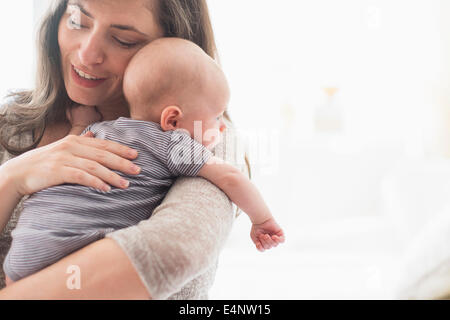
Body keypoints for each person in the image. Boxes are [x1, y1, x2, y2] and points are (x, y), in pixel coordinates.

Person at [0, 0, 256, 299]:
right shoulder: (12, 124)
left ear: (171, 46)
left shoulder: (202, 134)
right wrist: (11, 179)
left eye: (123, 40)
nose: (86, 54)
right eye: (77, 21)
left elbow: (172, 252)